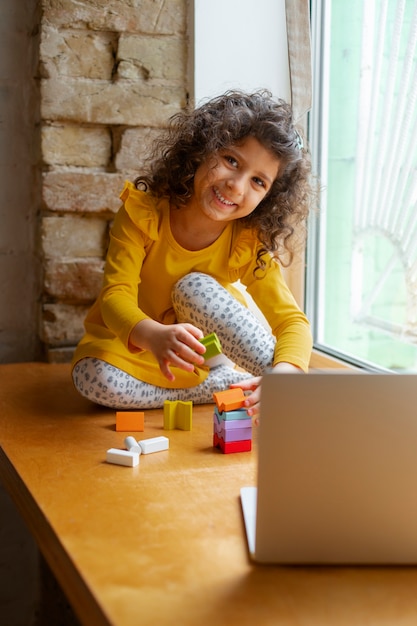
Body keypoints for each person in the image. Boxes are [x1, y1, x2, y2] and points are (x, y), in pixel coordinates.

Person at [71, 90, 314, 419]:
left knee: (193, 288)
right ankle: (228, 385)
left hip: (205, 351)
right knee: (90, 377)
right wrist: (153, 335)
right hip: (141, 344)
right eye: (231, 161)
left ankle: (280, 390)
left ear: (269, 197)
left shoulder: (246, 240)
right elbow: (116, 295)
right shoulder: (143, 213)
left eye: (258, 181)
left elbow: (291, 322)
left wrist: (285, 375)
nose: (237, 186)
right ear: (202, 149)